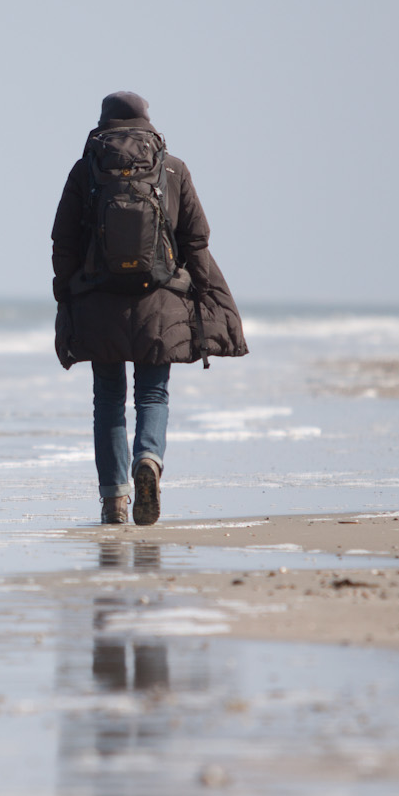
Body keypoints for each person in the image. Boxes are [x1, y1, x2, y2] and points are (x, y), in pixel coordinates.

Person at [51, 92, 247, 525]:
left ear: (103, 124)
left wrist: (66, 296)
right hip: (162, 303)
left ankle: (115, 501)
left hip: (99, 303)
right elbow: (196, 240)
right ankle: (149, 461)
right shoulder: (172, 168)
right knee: (153, 394)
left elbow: (63, 243)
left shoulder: (86, 171)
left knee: (107, 399)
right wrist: (208, 295)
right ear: (147, 121)